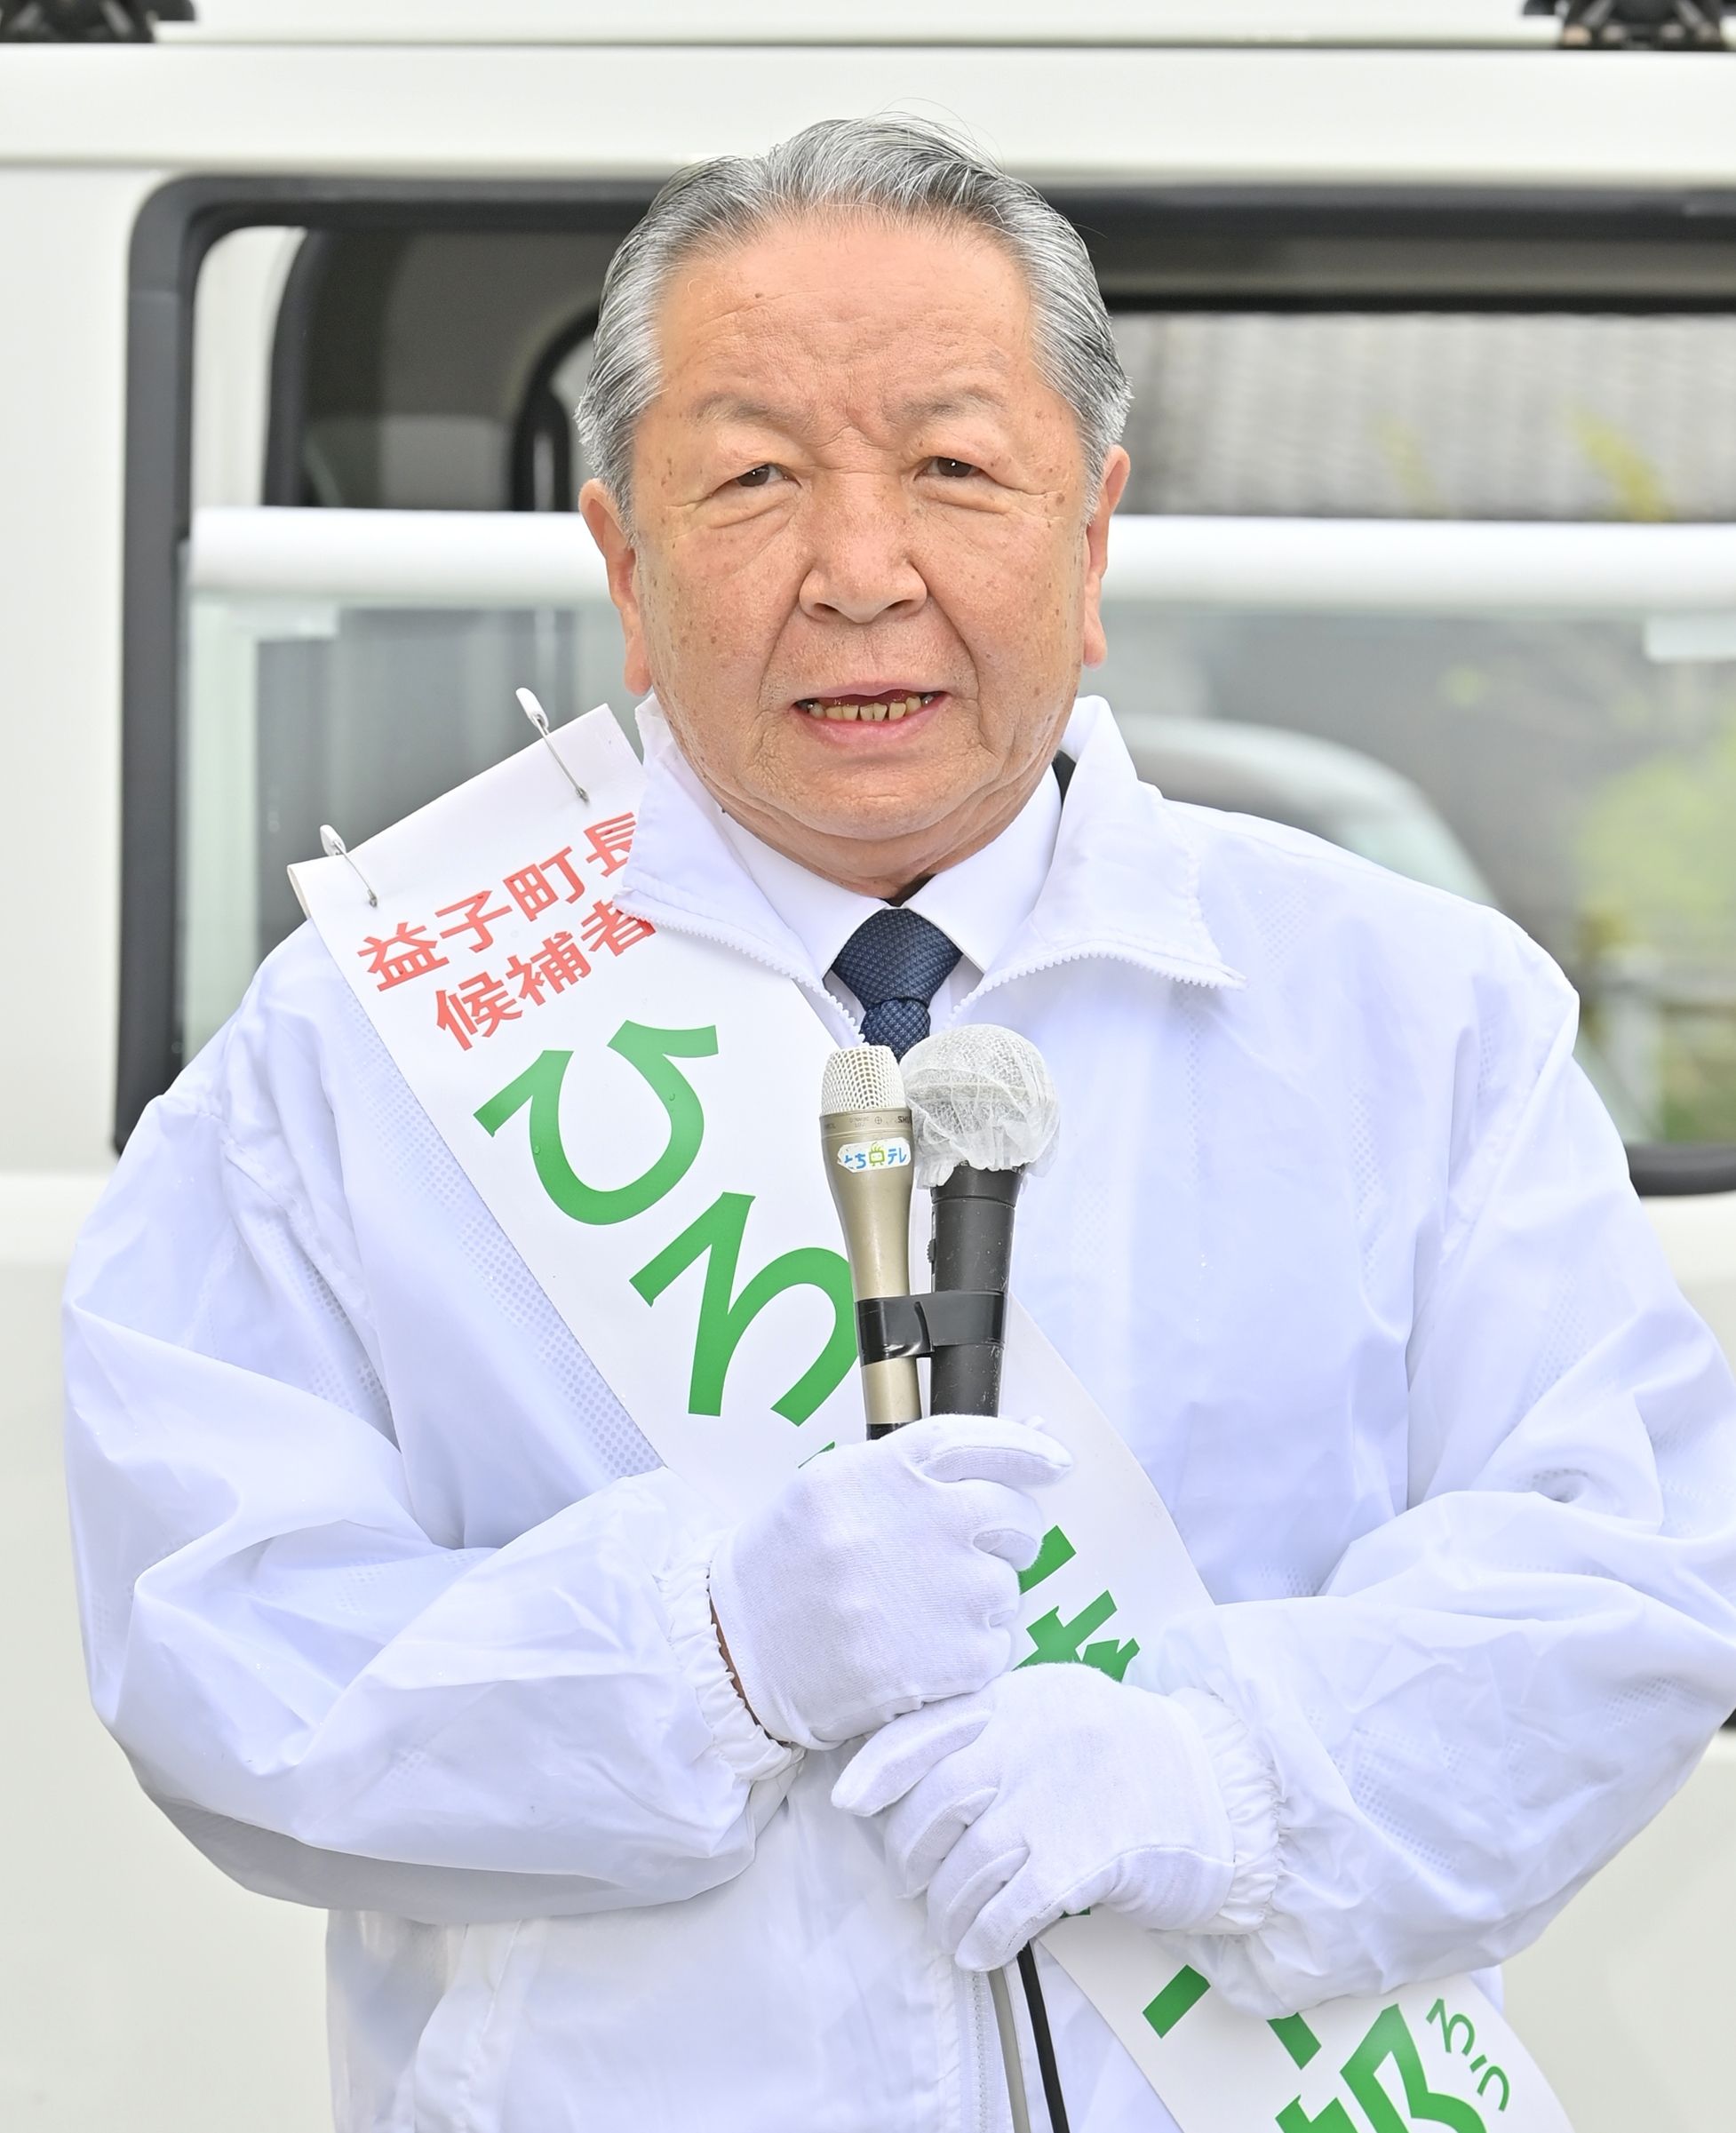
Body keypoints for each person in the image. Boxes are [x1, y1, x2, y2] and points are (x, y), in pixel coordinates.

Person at [64, 118, 1736, 2133]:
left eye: (951, 468)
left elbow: (1627, 1582)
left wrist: (1220, 1776)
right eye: (753, 479)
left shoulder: (1409, 1009)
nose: (860, 573)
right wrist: (705, 1649)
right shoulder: (349, 1056)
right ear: (623, 564)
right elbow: (220, 1649)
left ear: (1090, 535)